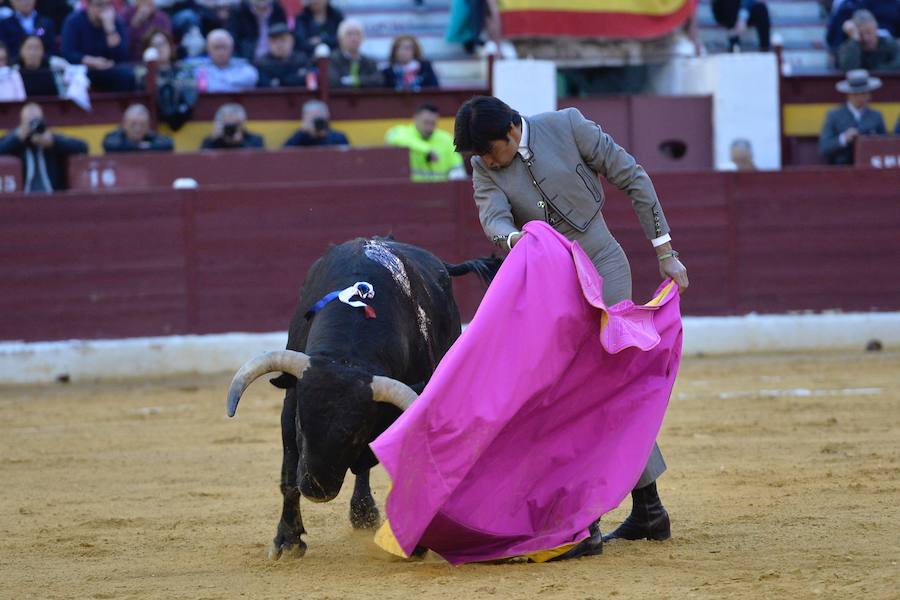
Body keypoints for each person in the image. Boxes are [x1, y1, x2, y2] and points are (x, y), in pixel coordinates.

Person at [453, 95, 689, 550]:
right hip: (552, 284)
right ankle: (646, 509)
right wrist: (517, 239)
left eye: (488, 152)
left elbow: (633, 177)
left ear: (511, 131)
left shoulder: (568, 126)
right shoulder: (485, 167)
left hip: (604, 266)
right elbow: (494, 218)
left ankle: (593, 520)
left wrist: (665, 251)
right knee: (570, 394)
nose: (485, 162)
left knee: (602, 389)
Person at [0, 101, 87, 192]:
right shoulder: (15, 139)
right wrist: (16, 139)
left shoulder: (51, 138)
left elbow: (83, 147)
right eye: (29, 122)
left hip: (52, 195)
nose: (33, 126)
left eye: (36, 121)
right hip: (22, 196)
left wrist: (53, 142)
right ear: (21, 123)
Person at [60, 0, 135, 92]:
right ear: (88, 6)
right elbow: (68, 52)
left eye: (108, 5)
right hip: (83, 69)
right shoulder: (74, 21)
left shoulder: (117, 22)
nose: (104, 9)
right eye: (99, 5)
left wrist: (110, 28)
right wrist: (93, 62)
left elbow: (122, 55)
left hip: (109, 69)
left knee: (127, 75)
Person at [819, 69, 886, 165]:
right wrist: (843, 139)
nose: (860, 97)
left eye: (863, 93)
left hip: (870, 166)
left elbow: (885, 145)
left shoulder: (876, 116)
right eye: (856, 94)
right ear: (848, 95)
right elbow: (824, 147)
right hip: (842, 167)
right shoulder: (834, 115)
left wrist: (874, 141)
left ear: (869, 95)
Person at [386, 103, 464, 182]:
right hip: (413, 187)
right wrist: (427, 150)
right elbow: (392, 137)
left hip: (440, 187)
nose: (429, 127)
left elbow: (457, 167)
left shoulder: (446, 139)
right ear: (415, 118)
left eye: (433, 123)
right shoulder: (403, 132)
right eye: (426, 122)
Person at [142, 29, 197, 130]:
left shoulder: (184, 69)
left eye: (163, 43)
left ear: (170, 46)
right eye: (154, 46)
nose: (160, 48)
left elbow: (189, 98)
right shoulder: (143, 75)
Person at [188, 28, 258, 92]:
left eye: (224, 47)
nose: (220, 52)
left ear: (232, 49)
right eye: (216, 47)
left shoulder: (246, 69)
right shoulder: (195, 68)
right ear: (208, 49)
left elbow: (251, 79)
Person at [327, 18, 381, 89]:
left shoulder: (369, 62)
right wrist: (363, 81)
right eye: (349, 34)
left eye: (357, 34)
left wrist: (353, 80)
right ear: (340, 39)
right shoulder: (332, 60)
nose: (354, 38)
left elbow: (378, 80)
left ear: (363, 38)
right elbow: (334, 82)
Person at [102, 103, 174, 153]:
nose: (138, 129)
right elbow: (110, 145)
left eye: (142, 125)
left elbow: (168, 144)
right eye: (133, 124)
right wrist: (140, 146)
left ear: (148, 126)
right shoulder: (114, 138)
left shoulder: (151, 137)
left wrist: (144, 146)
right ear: (124, 124)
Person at [255, 22, 307, 88]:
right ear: (268, 43)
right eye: (274, 41)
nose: (279, 45)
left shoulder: (302, 60)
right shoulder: (262, 64)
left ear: (292, 41)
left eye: (283, 40)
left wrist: (280, 81)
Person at [283, 99, 348, 147]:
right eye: (312, 119)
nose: (317, 122)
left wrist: (324, 135)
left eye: (319, 118)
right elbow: (284, 154)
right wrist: (302, 131)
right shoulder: (301, 137)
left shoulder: (338, 138)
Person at [201, 102, 265, 149]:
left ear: (242, 124)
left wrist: (240, 144)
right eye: (227, 125)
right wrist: (213, 141)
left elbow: (258, 160)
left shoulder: (255, 140)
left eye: (234, 124)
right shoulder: (211, 141)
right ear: (219, 124)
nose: (230, 128)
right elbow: (202, 160)